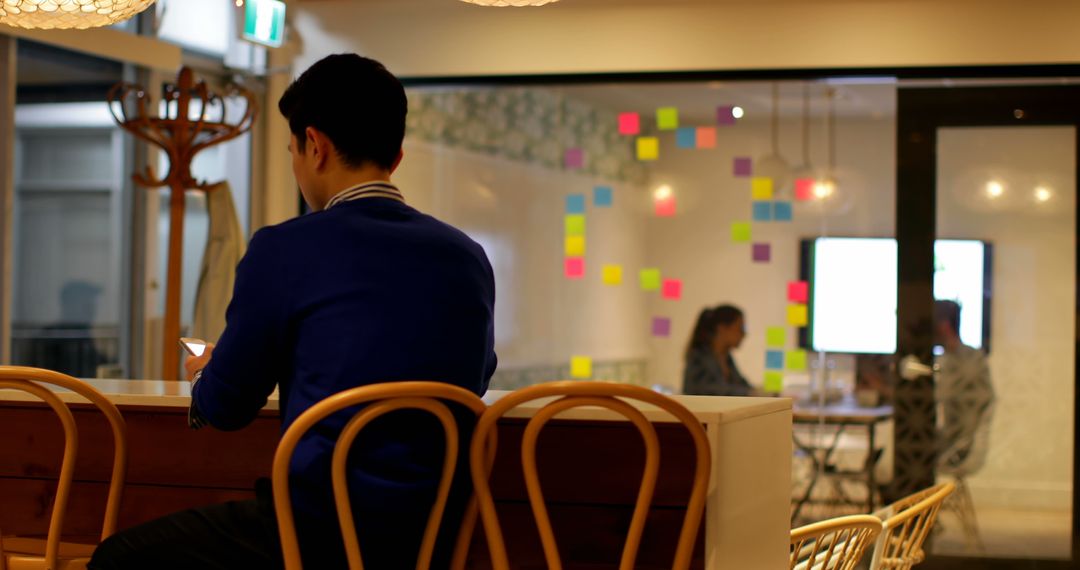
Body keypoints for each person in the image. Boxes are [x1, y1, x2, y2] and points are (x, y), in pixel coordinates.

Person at [90, 54, 498, 569]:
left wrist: (206, 373)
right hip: (433, 536)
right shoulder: (466, 255)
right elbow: (474, 379)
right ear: (395, 158)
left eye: (292, 151)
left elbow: (227, 407)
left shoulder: (284, 249)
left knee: (116, 559)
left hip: (314, 534)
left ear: (315, 146)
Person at [933, 300, 994, 470]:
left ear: (943, 326)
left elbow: (941, 395)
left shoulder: (968, 362)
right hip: (952, 444)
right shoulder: (956, 358)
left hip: (957, 450)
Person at [682, 304, 755, 396]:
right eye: (740, 328)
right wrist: (750, 392)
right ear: (722, 328)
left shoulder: (727, 358)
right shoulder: (699, 355)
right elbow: (705, 388)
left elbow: (741, 384)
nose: (744, 334)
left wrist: (759, 392)